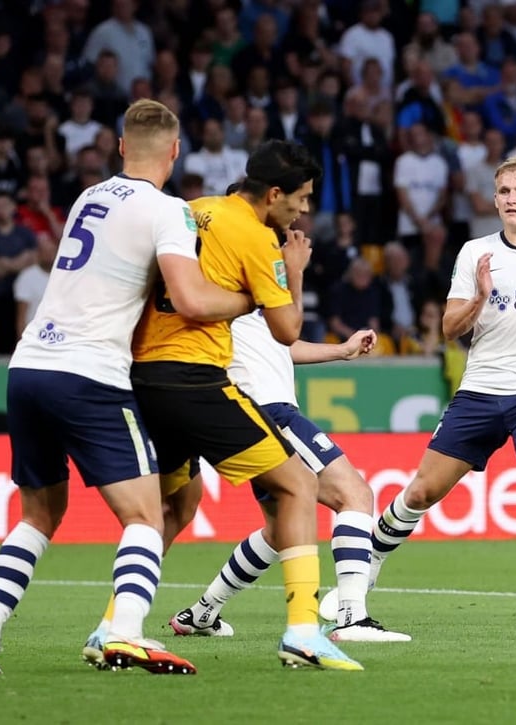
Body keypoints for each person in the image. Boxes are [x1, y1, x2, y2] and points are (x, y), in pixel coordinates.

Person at [0, 100, 255, 676]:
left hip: (29, 365)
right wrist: (252, 299)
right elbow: (190, 301)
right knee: (147, 515)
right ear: (174, 152)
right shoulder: (169, 210)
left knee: (38, 515)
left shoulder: (87, 197)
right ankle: (125, 633)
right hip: (90, 372)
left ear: (120, 148)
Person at [83, 141, 364, 671]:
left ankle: (112, 627)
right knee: (298, 484)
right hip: (194, 378)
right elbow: (286, 330)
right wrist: (267, 284)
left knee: (173, 507)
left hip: (139, 376)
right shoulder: (256, 237)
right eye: (300, 199)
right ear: (274, 193)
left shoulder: (187, 210)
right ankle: (304, 631)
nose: (303, 211)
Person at [342, 155, 516, 630]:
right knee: (421, 491)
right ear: (494, 199)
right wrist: (480, 296)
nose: (511, 199)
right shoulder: (476, 253)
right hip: (479, 391)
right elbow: (450, 329)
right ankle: (364, 574)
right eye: (504, 192)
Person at [163, 317, 411, 643]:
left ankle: (202, 612)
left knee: (279, 530)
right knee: (355, 495)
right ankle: (352, 618)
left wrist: (342, 350)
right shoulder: (234, 283)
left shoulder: (248, 299)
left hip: (252, 412)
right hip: (269, 409)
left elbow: (283, 346)